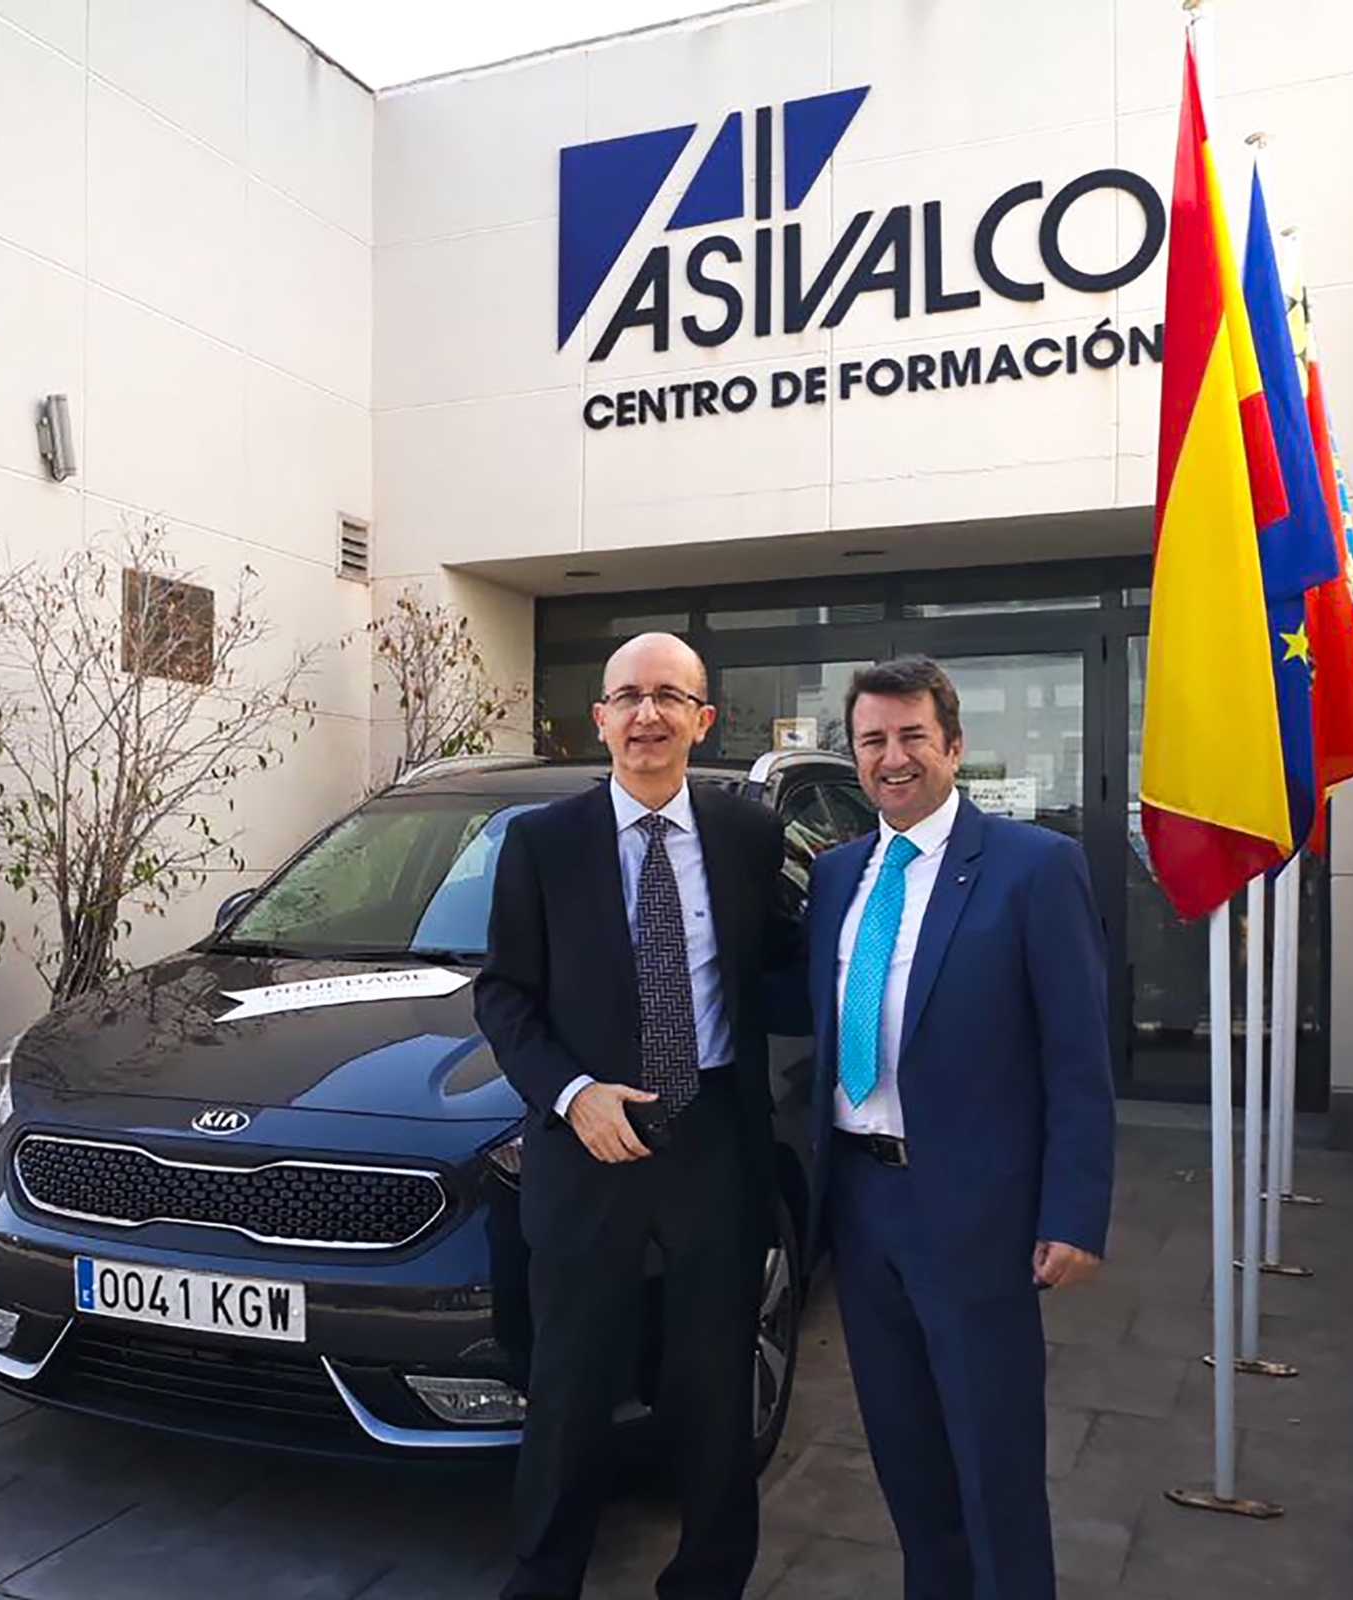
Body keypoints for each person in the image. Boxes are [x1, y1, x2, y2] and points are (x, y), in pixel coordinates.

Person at [475, 631, 798, 1600]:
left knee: (714, 1390)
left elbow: (789, 961)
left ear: (703, 720)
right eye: (628, 696)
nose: (647, 714)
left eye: (669, 696)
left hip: (715, 1143)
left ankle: (708, 1579)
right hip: (590, 1147)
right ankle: (544, 1582)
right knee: (569, 1389)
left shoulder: (747, 837)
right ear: (601, 718)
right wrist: (572, 1093)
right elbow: (503, 995)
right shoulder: (541, 842)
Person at [806, 656, 1115, 1600]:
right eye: (872, 741)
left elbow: (1077, 1053)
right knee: (906, 1461)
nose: (892, 758)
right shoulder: (837, 877)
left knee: (995, 1467)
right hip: (861, 1207)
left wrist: (1074, 1211)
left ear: (953, 745)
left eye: (912, 736)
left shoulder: (1034, 868)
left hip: (976, 1214)